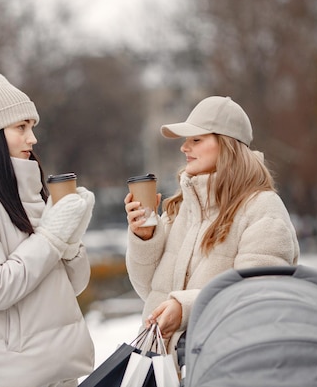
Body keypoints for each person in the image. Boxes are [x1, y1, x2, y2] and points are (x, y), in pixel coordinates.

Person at [0, 67, 95, 387]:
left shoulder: (31, 190)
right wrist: (51, 237)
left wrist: (71, 241)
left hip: (58, 374)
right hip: (3, 378)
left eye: (32, 126)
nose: (32, 138)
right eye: (21, 127)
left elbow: (73, 287)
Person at [123, 96, 300, 364]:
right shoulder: (183, 207)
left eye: (196, 140)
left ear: (227, 144)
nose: (184, 147)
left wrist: (185, 309)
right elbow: (150, 291)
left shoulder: (263, 208)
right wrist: (144, 238)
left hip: (227, 369)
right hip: (168, 370)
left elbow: (257, 296)